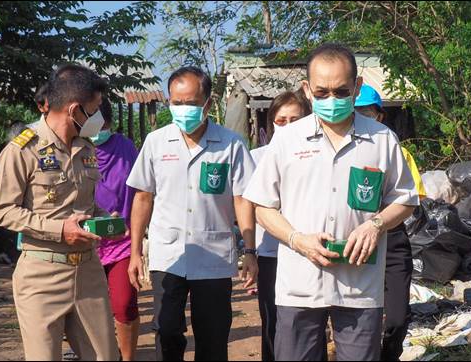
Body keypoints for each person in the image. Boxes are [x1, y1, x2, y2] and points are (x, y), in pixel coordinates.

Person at [243, 43, 419, 361]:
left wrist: (376, 225)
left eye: (341, 91)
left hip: (359, 285)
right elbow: (262, 206)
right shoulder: (287, 140)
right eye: (322, 92)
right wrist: (298, 240)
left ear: (357, 87)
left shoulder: (382, 140)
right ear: (307, 90)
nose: (332, 100)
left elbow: (405, 199)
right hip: (299, 283)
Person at [126, 66, 258, 361]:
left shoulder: (231, 144)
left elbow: (243, 200)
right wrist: (135, 252)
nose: (183, 109)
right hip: (168, 255)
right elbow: (143, 198)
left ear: (208, 104)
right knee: (167, 329)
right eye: (177, 103)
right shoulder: (156, 142)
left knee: (213, 336)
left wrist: (249, 249)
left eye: (191, 103)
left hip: (214, 256)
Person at [0, 63, 120, 361]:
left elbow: (85, 204)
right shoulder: (24, 150)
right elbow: (3, 211)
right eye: (95, 108)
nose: (99, 116)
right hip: (42, 275)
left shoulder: (86, 148)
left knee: (105, 357)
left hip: (88, 272)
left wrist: (103, 219)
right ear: (76, 110)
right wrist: (60, 229)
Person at [354, 83, 424, 360]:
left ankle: (389, 354)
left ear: (379, 116)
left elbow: (412, 196)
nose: (361, 117)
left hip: (392, 237)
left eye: (367, 113)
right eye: (357, 112)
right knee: (360, 317)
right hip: (355, 241)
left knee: (396, 316)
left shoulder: (396, 150)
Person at [251, 89, 311, 361]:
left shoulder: (317, 155)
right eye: (281, 120)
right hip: (271, 253)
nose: (287, 126)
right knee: (272, 323)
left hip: (309, 253)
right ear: (271, 122)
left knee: (309, 325)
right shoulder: (255, 158)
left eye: (295, 120)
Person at [92, 97, 140, 360]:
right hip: (84, 241)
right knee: (91, 309)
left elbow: (141, 192)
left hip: (122, 241)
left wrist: (137, 228)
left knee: (124, 305)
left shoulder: (126, 148)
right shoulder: (73, 148)